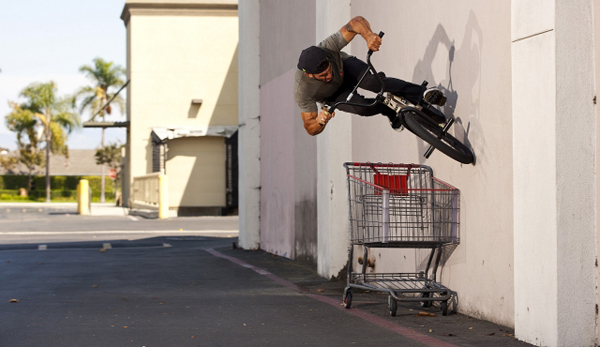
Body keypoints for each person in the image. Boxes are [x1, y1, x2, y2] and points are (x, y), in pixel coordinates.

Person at [294, 16, 446, 136]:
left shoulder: (327, 48)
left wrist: (368, 35)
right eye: (323, 75)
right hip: (333, 95)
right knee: (363, 108)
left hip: (346, 67)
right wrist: (320, 121)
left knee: (374, 82)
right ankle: (390, 111)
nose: (329, 75)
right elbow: (309, 127)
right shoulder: (303, 90)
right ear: (310, 75)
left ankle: (421, 93)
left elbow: (355, 22)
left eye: (328, 70)